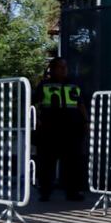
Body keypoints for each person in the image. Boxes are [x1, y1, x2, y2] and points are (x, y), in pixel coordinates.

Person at [34, 57, 87, 202]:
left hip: (72, 129)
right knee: (47, 163)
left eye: (65, 67)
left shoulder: (74, 83)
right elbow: (34, 103)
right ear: (52, 69)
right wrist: (36, 120)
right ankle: (45, 192)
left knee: (72, 163)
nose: (64, 70)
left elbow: (80, 104)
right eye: (60, 67)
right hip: (49, 130)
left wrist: (86, 122)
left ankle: (72, 193)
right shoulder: (44, 85)